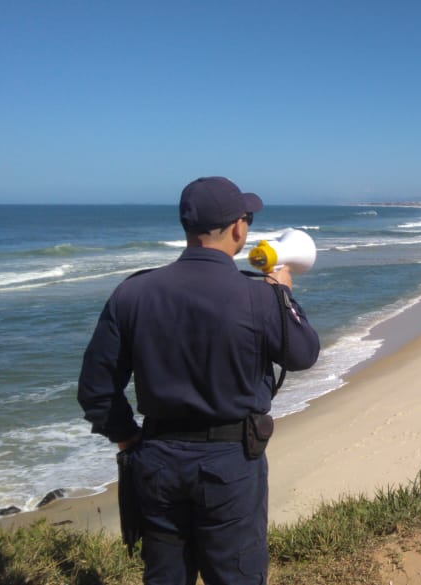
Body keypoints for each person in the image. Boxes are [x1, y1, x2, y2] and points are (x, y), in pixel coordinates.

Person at [78, 176, 320, 585]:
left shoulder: (133, 293)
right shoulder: (259, 297)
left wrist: (127, 437)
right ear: (239, 229)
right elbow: (303, 354)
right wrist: (284, 296)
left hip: (155, 460)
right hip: (230, 463)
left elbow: (96, 387)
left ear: (187, 228)